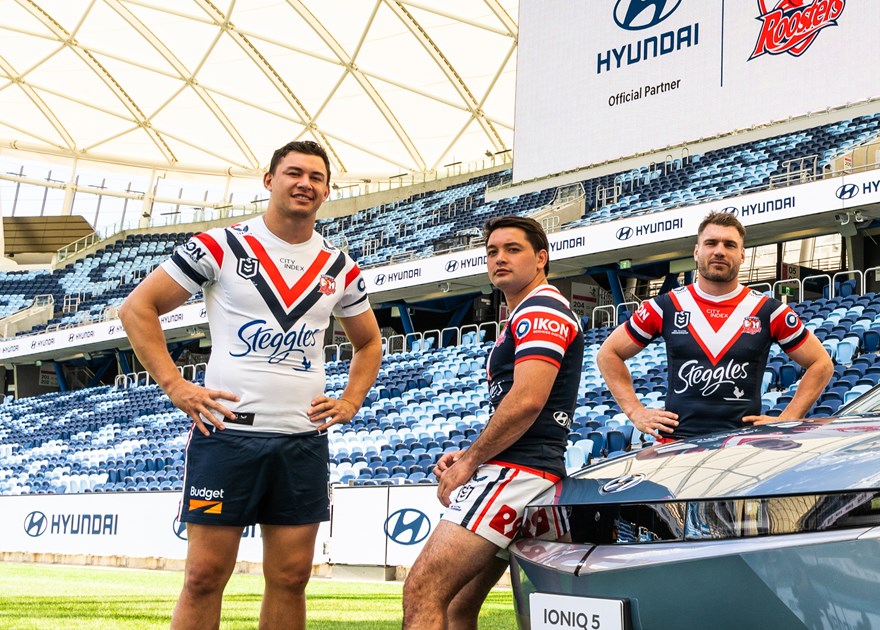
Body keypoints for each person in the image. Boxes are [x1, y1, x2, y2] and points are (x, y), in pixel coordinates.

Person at [121, 140, 381, 630]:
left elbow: (369, 344)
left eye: (317, 177)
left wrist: (351, 400)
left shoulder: (339, 265)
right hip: (228, 437)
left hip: (301, 442)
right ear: (269, 180)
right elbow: (138, 308)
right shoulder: (218, 245)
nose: (305, 183)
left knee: (291, 576)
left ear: (327, 191)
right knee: (203, 575)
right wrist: (175, 385)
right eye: (293, 172)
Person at [402, 216, 584, 630]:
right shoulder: (529, 311)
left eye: (512, 249)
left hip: (518, 472)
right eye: (492, 252)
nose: (499, 258)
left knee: (422, 591)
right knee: (454, 607)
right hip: (523, 469)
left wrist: (469, 463)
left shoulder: (543, 308)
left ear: (541, 258)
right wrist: (470, 454)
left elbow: (526, 401)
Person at [599, 211, 834, 442]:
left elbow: (821, 364)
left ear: (742, 255)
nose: (719, 251)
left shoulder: (768, 310)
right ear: (696, 251)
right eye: (711, 243)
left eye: (729, 245)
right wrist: (635, 411)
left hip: (742, 449)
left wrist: (789, 418)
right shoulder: (666, 306)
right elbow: (609, 354)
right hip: (676, 445)